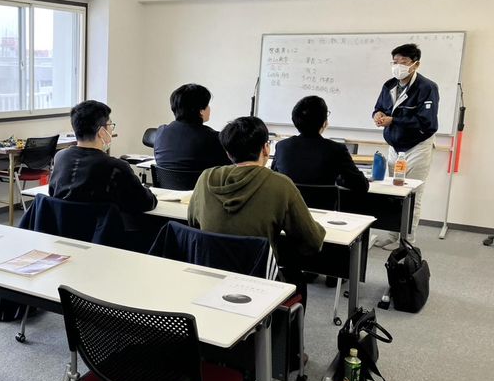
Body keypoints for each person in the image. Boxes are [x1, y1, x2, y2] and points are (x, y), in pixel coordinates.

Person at [187, 116, 325, 307]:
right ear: (266, 148)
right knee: (296, 277)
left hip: (210, 278)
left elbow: (193, 223)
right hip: (258, 286)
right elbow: (312, 242)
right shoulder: (281, 184)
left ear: (228, 153)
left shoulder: (205, 178)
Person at [272, 95, 367, 286]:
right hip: (325, 221)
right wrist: (338, 179)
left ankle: (308, 269)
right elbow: (361, 185)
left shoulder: (282, 147)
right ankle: (333, 271)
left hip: (289, 218)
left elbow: (276, 178)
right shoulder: (336, 149)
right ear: (324, 122)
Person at [372, 43, 439, 248]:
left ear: (415, 64)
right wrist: (377, 115)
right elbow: (379, 108)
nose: (398, 66)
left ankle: (407, 242)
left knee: (412, 195)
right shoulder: (389, 85)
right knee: (394, 193)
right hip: (395, 144)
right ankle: (393, 236)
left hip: (417, 146)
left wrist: (394, 120)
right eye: (395, 62)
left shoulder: (427, 87)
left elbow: (426, 121)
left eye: (403, 62)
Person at [50, 100, 157, 214]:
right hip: (101, 225)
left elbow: (53, 192)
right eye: (110, 125)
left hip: (61, 223)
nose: (111, 129)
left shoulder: (60, 157)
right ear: (101, 132)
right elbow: (146, 202)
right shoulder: (117, 167)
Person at [153, 83, 231, 172]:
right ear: (201, 110)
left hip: (164, 181)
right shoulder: (215, 138)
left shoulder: (161, 132)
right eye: (207, 105)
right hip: (201, 181)